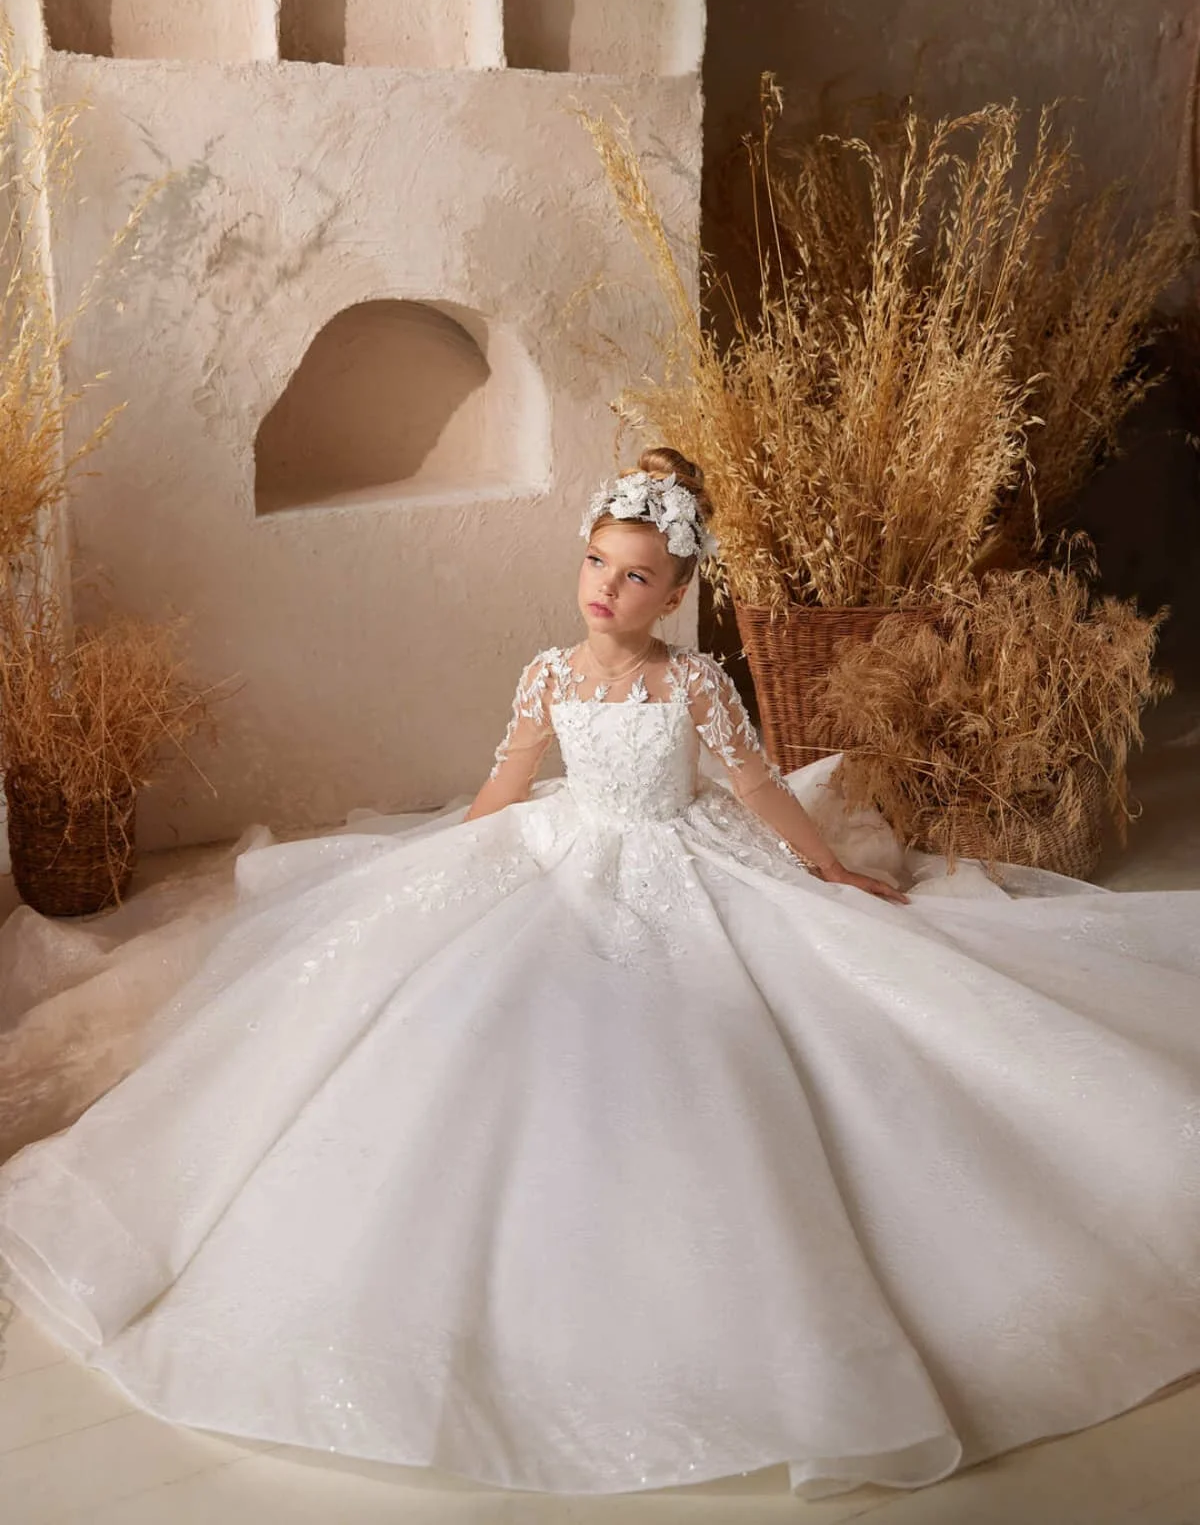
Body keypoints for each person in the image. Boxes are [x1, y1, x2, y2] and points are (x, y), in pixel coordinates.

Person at [0, 446, 1198, 1501]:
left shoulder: (694, 682)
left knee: (782, 1020)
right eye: (595, 562)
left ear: (678, 594)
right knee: (462, 1021)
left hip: (688, 859)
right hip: (560, 854)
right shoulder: (547, 672)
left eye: (635, 575)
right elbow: (506, 785)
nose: (606, 588)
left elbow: (757, 786)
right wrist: (432, 869)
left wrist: (830, 866)